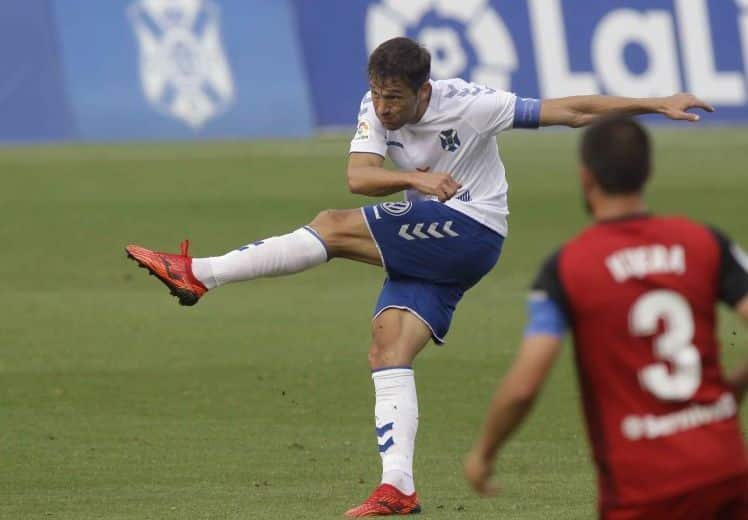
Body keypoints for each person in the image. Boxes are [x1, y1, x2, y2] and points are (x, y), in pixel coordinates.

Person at [126, 37, 714, 516]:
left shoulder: (471, 104)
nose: (385, 108)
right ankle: (398, 487)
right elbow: (360, 175)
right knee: (387, 349)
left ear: (424, 91)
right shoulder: (373, 106)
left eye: (396, 98)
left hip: (474, 228)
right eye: (379, 95)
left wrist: (654, 102)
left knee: (331, 227)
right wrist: (418, 181)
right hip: (433, 233)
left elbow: (571, 111)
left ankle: (198, 273)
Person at [464, 115, 748, 519]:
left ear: (586, 177)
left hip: (642, 489)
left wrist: (483, 454)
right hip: (724, 469)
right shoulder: (705, 242)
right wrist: (731, 390)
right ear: (648, 172)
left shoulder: (566, 268)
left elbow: (525, 385)